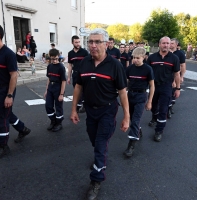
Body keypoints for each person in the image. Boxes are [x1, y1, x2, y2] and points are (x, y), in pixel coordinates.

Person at [70, 28, 129, 200]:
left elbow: (122, 92)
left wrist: (127, 117)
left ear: (106, 44)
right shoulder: (84, 63)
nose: (93, 45)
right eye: (90, 41)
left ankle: (96, 180)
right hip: (90, 110)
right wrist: (74, 109)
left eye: (97, 42)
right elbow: (78, 86)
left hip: (108, 110)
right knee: (94, 139)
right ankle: (100, 158)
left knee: (101, 143)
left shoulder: (115, 65)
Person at [0, 23, 31, 160]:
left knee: (1, 118)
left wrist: (9, 95)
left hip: (6, 89)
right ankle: (23, 129)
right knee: (7, 114)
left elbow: (14, 75)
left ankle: (3, 146)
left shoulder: (9, 54)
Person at [146, 36, 180, 142]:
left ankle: (159, 131)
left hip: (166, 87)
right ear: (159, 44)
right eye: (164, 43)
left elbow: (177, 74)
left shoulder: (174, 58)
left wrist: (178, 88)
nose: (166, 45)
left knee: (163, 109)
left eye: (168, 43)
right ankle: (154, 117)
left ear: (170, 45)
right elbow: (146, 72)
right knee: (153, 106)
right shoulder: (152, 58)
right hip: (153, 86)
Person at [124, 47, 154, 157]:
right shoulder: (129, 68)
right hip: (130, 95)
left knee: (136, 120)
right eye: (133, 58)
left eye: (138, 58)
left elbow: (152, 85)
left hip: (141, 96)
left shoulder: (148, 69)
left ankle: (131, 145)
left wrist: (149, 101)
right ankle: (138, 130)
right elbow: (125, 82)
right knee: (132, 118)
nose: (135, 60)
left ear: (144, 57)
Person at [44, 48, 66, 132]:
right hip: (50, 88)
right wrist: (46, 90)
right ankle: (53, 121)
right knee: (48, 105)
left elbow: (63, 81)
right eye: (53, 59)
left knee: (58, 106)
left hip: (58, 87)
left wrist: (61, 94)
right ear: (50, 57)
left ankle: (59, 123)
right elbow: (49, 78)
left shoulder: (61, 67)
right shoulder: (49, 66)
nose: (55, 61)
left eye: (56, 58)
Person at [67, 35, 89, 113]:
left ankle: (84, 105)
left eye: (79, 42)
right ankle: (79, 105)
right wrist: (69, 77)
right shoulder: (70, 53)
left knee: (84, 91)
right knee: (76, 91)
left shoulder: (84, 52)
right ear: (72, 43)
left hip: (84, 74)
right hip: (75, 75)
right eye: (76, 42)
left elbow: (89, 63)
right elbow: (70, 65)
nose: (78, 44)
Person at [168, 38, 186, 118]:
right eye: (169, 43)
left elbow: (183, 65)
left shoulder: (180, 54)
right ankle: (167, 106)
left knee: (173, 92)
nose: (170, 45)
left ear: (176, 44)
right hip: (167, 75)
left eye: (172, 43)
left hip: (176, 74)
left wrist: (182, 76)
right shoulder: (166, 52)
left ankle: (170, 106)